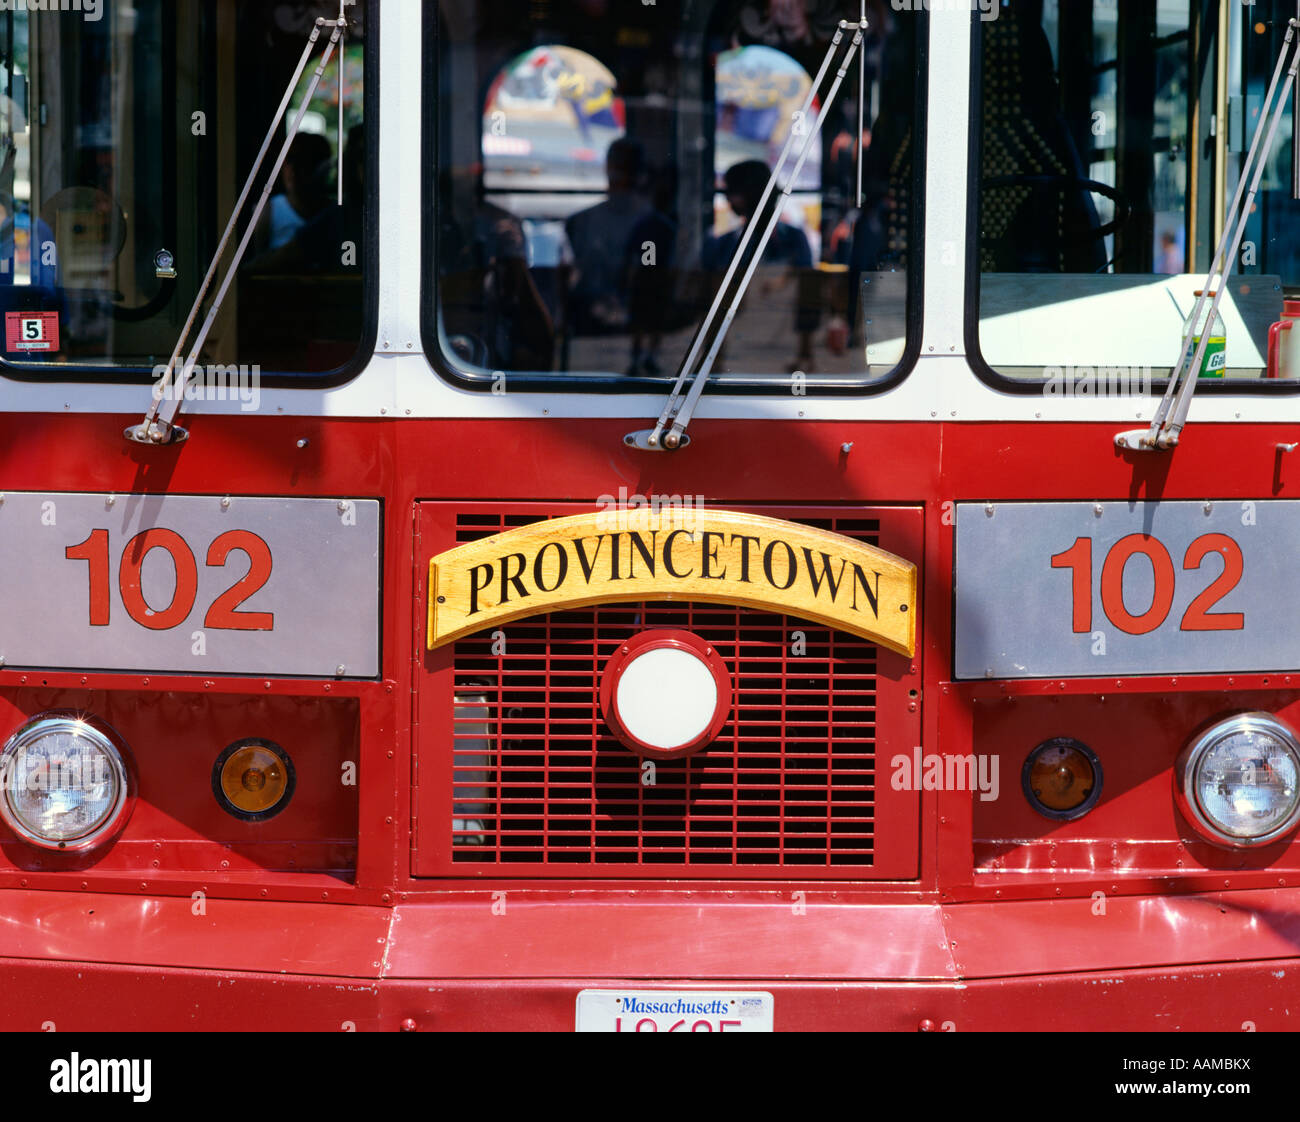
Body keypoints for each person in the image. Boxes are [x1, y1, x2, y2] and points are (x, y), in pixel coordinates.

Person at [703, 159, 817, 372]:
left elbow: (807, 297)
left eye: (732, 192)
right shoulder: (728, 243)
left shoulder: (790, 240)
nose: (727, 198)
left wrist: (805, 354)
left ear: (750, 195)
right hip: (738, 361)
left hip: (780, 359)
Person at [564, 137, 648, 335]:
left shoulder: (651, 226)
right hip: (586, 322)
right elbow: (571, 275)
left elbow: (648, 271)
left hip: (634, 324)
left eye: (625, 169)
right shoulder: (580, 223)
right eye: (616, 167)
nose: (619, 176)